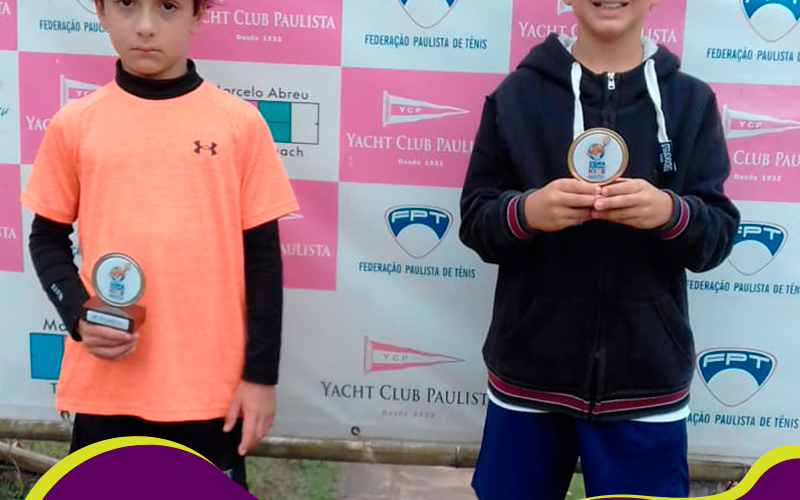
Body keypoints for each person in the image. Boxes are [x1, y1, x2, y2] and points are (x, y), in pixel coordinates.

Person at [459, 0, 740, 497]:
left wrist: (669, 213)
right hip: (528, 376)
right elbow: (476, 222)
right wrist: (526, 213)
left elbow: (715, 237)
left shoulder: (690, 101)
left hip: (646, 383)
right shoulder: (517, 96)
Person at [21, 0, 298, 489]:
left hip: (208, 395)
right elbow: (46, 238)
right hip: (106, 390)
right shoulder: (75, 123)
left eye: (168, 6)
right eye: (127, 5)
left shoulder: (239, 123)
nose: (146, 26)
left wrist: (260, 377)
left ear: (198, 15)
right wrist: (79, 315)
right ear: (101, 10)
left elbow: (262, 261)